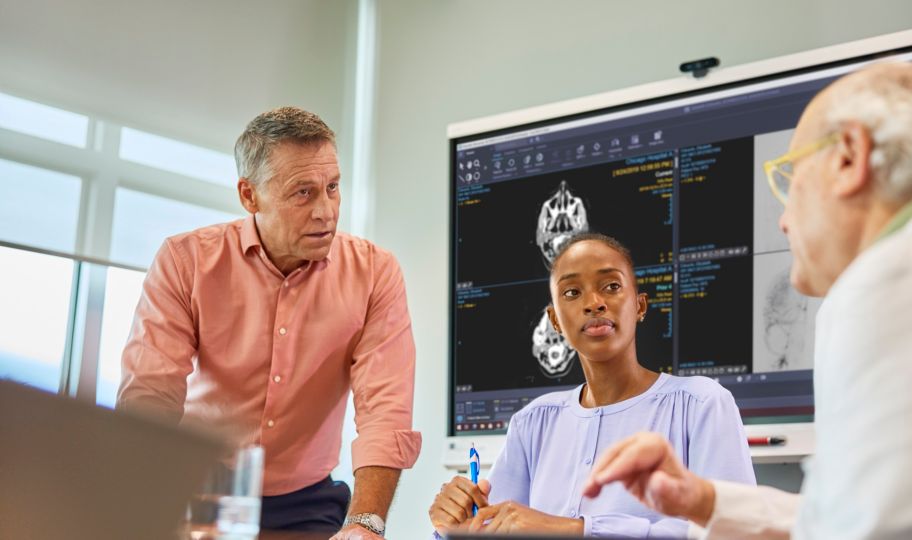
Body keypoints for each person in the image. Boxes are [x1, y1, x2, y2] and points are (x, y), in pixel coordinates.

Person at [583, 62, 912, 539]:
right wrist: (702, 500)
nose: (784, 222)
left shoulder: (896, 275)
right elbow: (847, 520)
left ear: (848, 157)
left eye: (789, 176)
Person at [117, 107, 421, 538]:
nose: (326, 211)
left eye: (333, 188)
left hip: (308, 500)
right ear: (249, 195)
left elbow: (385, 412)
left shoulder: (375, 273)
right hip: (200, 490)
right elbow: (151, 395)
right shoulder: (186, 262)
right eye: (303, 193)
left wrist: (365, 523)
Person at [428, 233, 756, 537]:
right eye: (572, 292)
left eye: (611, 286)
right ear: (555, 319)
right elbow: (493, 527)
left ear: (640, 305)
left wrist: (577, 529)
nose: (594, 303)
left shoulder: (700, 404)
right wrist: (455, 524)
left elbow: (734, 531)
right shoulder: (533, 423)